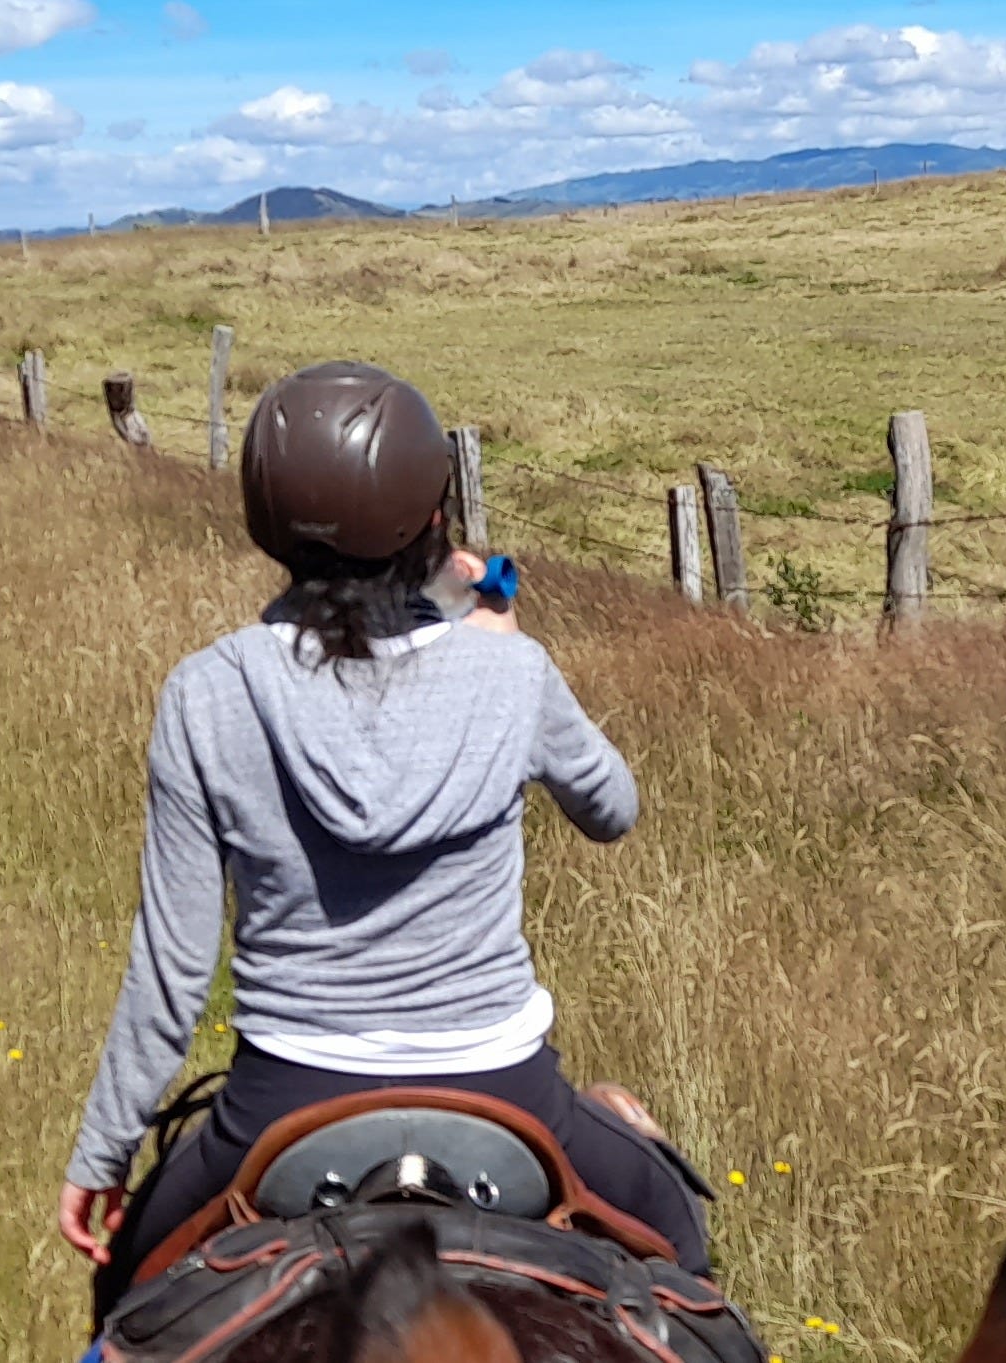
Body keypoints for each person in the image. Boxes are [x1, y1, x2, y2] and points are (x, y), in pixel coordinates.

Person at [56, 361, 710, 1324]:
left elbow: (171, 974)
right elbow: (613, 808)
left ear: (265, 519)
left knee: (125, 1297)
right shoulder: (510, 671)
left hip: (279, 1102)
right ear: (434, 520)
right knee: (678, 1244)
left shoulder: (207, 691)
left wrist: (102, 1154)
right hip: (506, 1086)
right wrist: (494, 640)